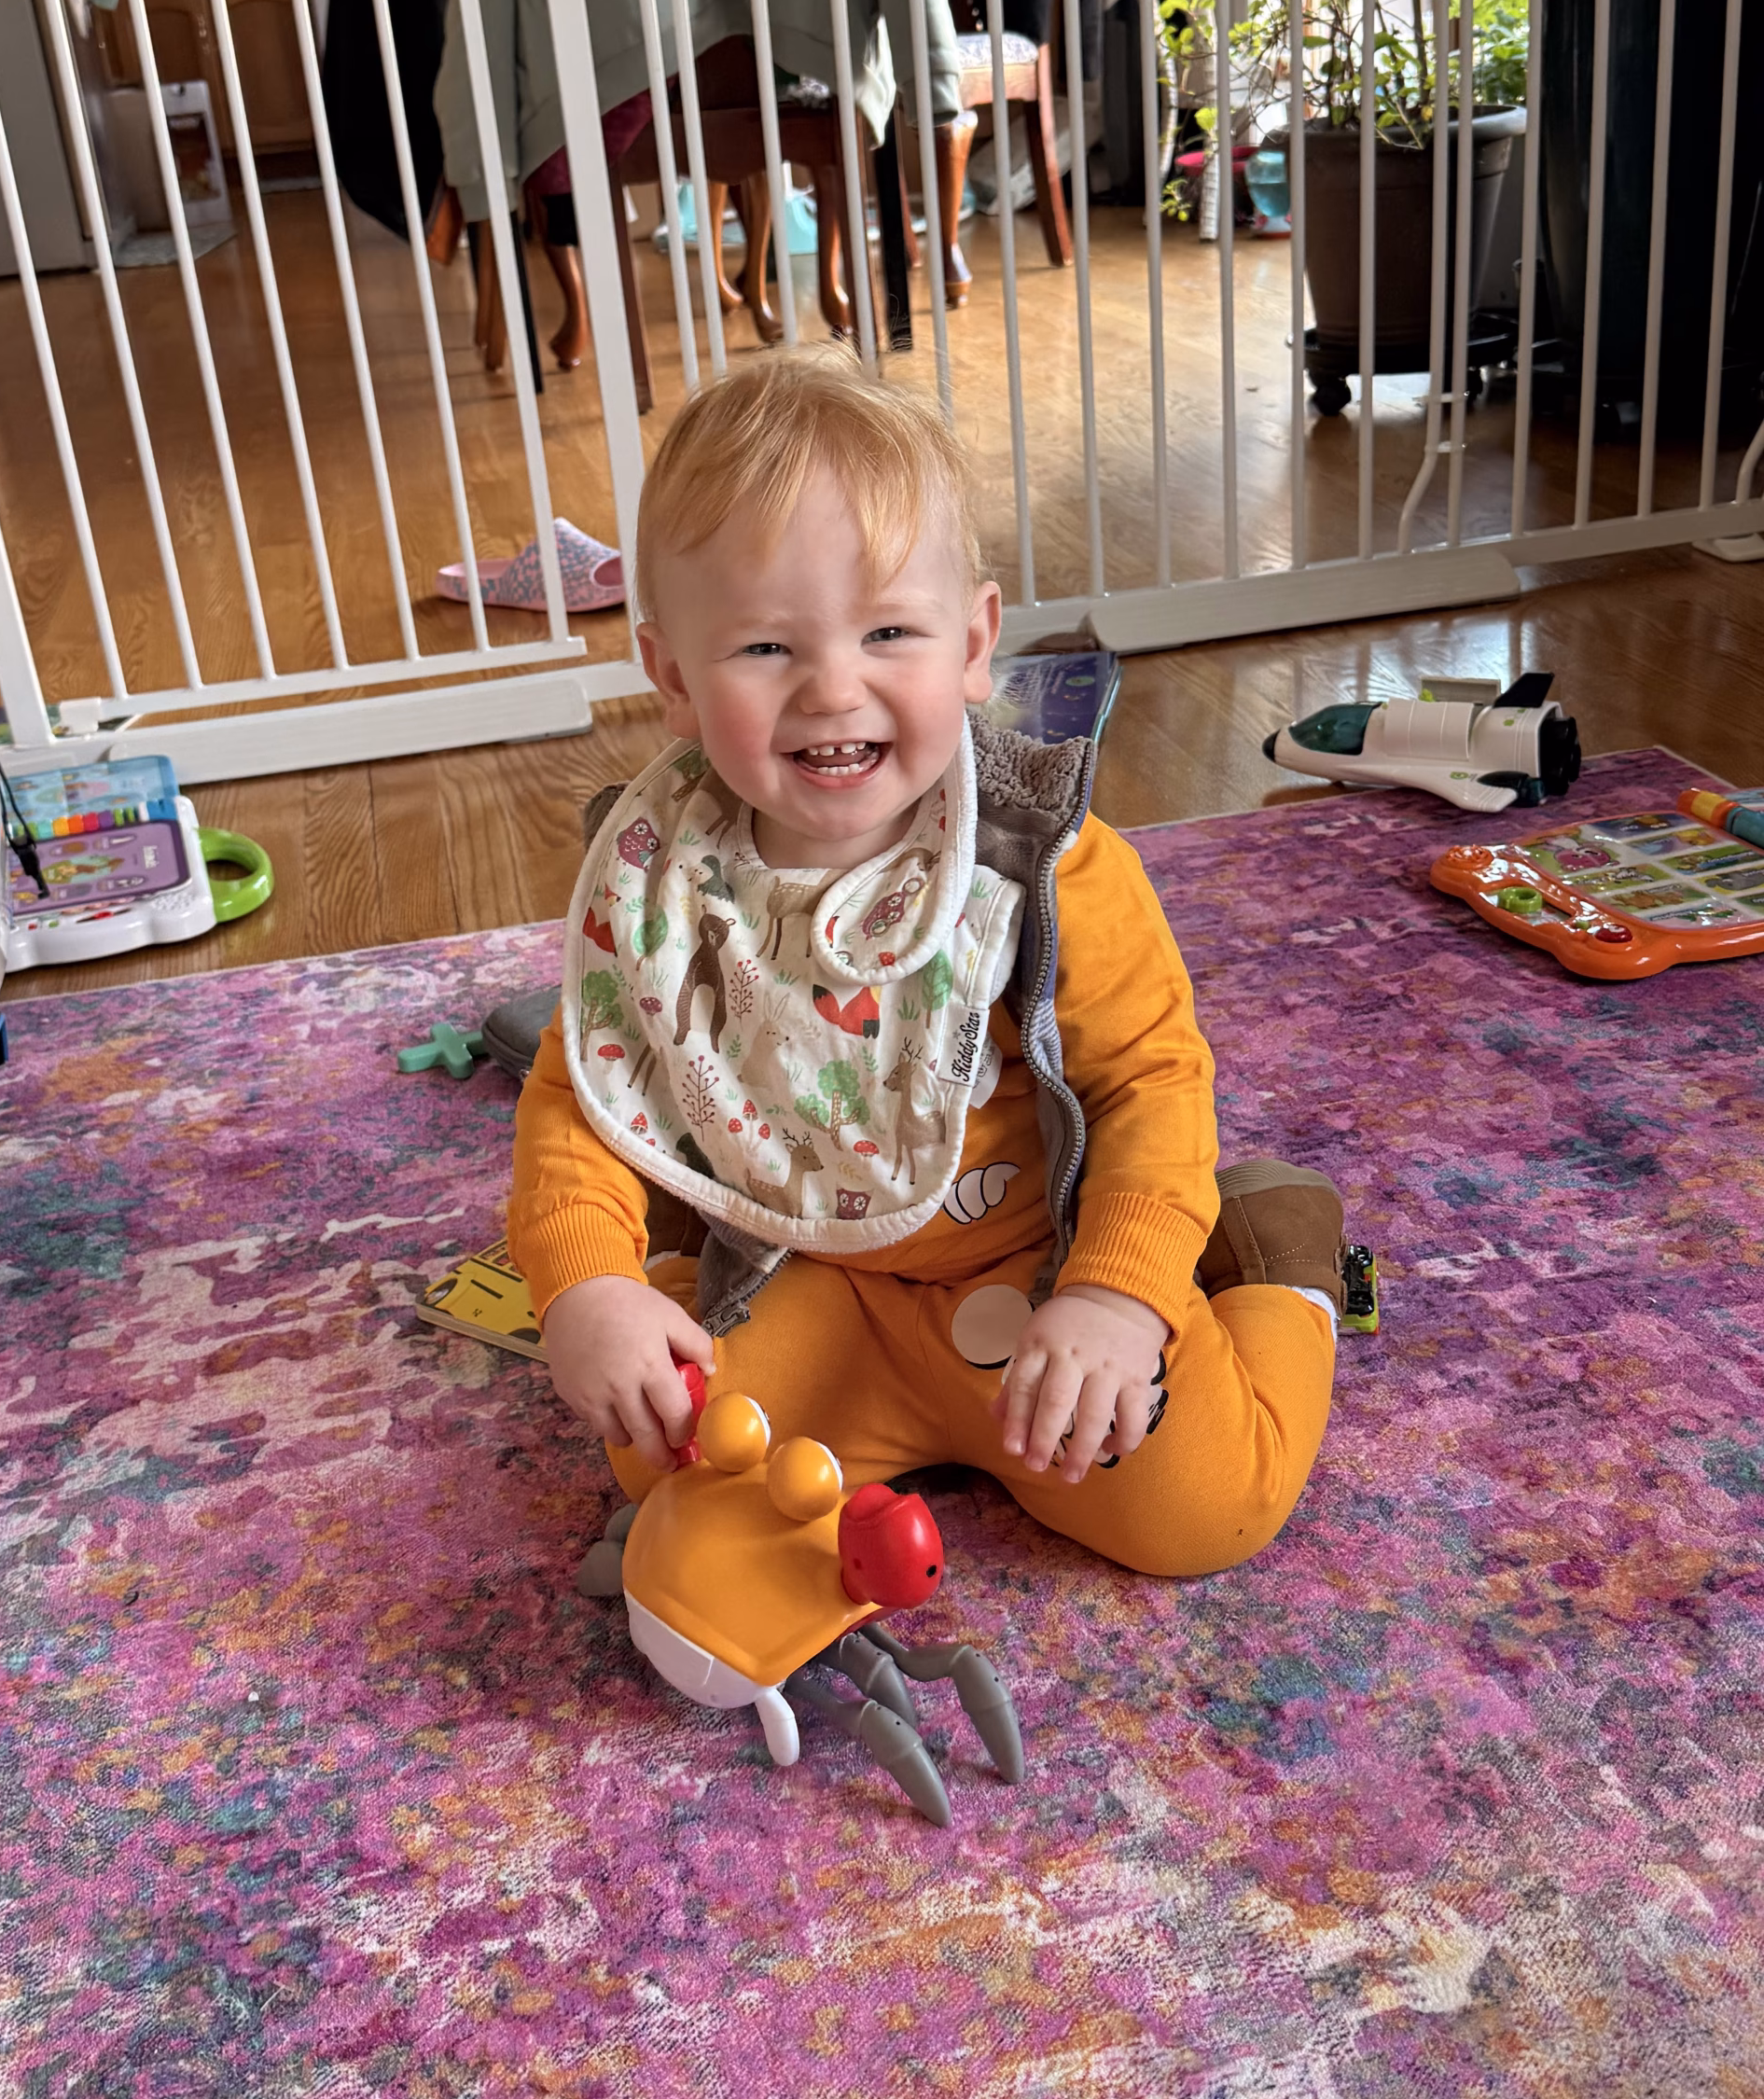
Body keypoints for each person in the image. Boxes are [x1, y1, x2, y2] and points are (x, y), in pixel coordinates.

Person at [508, 351, 1346, 1577]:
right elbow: (582, 1096)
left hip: (1035, 1260)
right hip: (811, 1270)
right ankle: (729, 1292)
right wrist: (586, 1287)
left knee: (1208, 1508)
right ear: (674, 677)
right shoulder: (663, 882)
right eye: (764, 647)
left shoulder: (1041, 866)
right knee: (669, 1459)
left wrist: (1116, 1295)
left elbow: (1148, 1084)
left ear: (974, 644)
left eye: (890, 631)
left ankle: (1277, 1252)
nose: (831, 688)